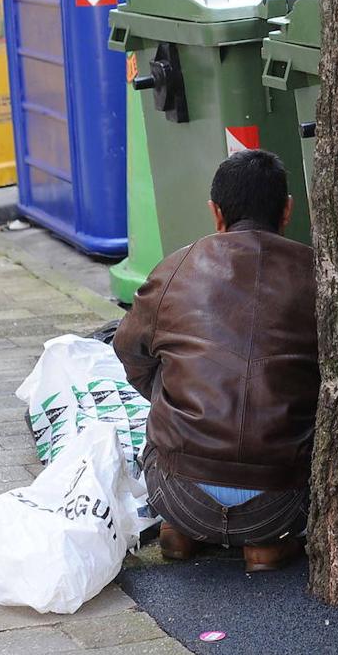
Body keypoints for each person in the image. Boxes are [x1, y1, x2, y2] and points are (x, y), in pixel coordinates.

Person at [114, 150, 319, 573]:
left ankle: (181, 532)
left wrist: (171, 396)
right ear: (286, 210)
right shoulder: (318, 273)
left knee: (163, 384)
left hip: (178, 493)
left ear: (216, 212)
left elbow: (128, 352)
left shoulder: (177, 267)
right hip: (280, 504)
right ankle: (264, 547)